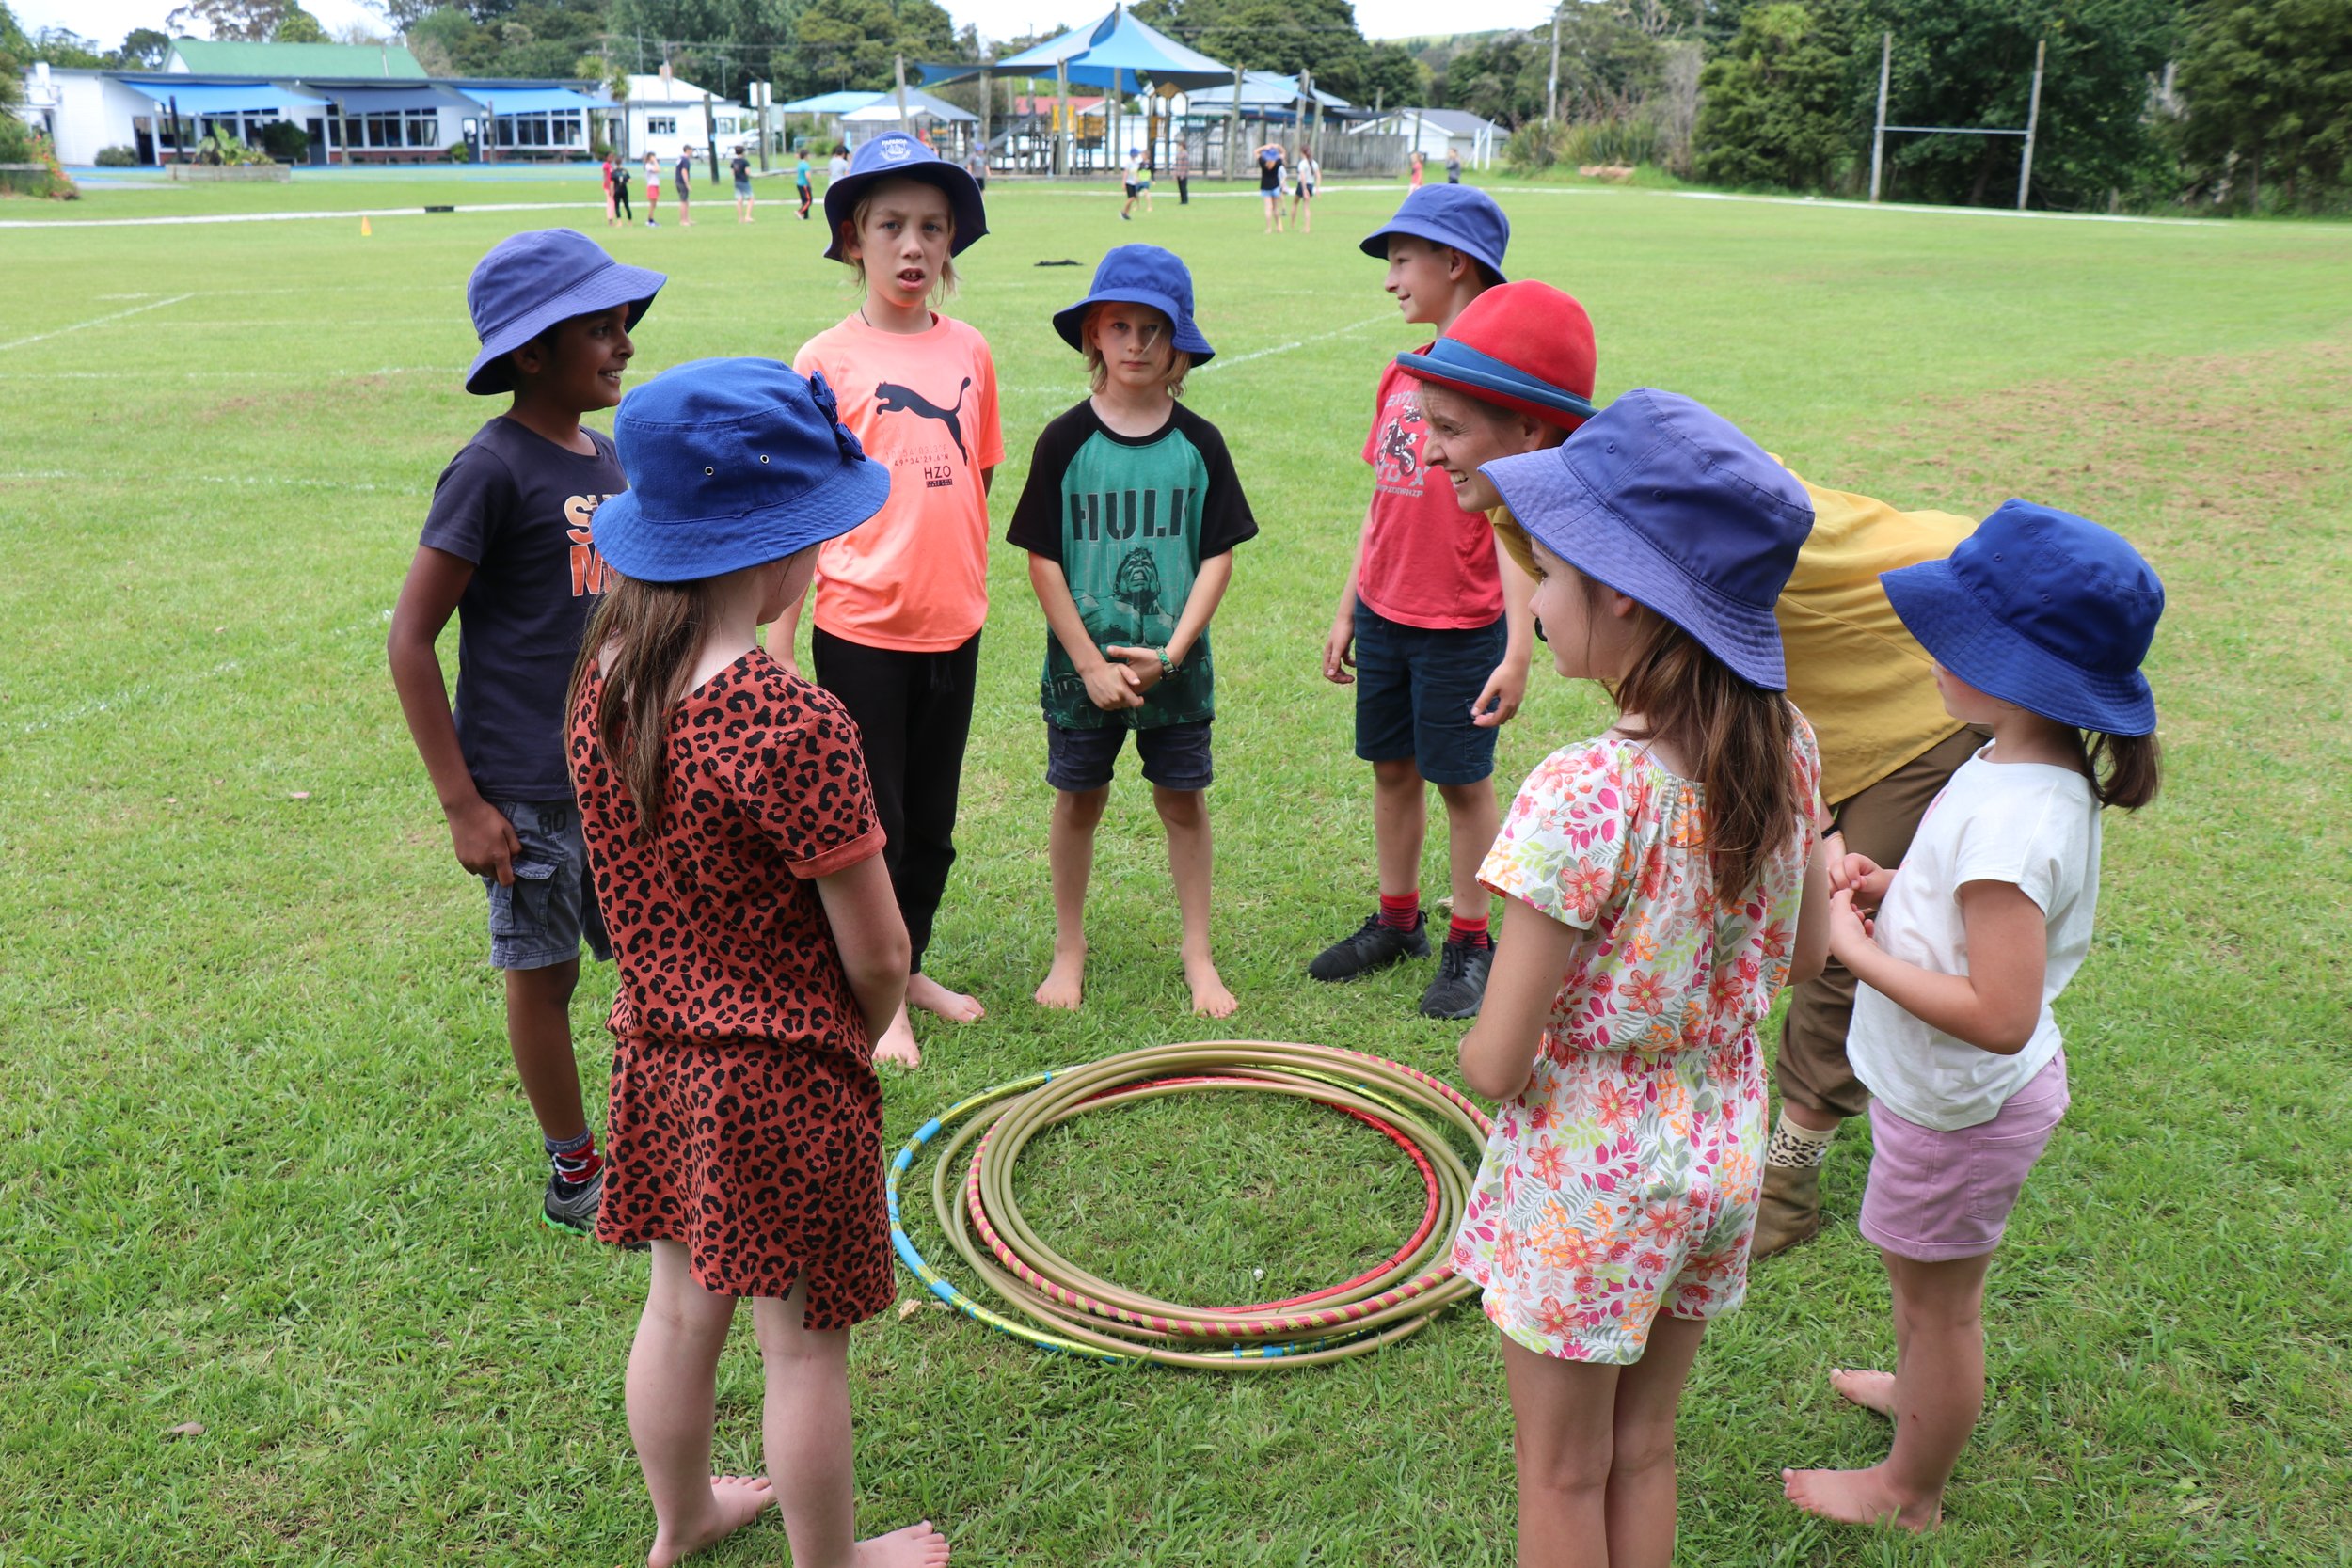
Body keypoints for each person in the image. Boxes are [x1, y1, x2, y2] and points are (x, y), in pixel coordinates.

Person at [568, 357, 951, 1568]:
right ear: (780, 550)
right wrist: (868, 1009)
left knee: (678, 1311)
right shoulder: (791, 720)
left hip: (659, 1064)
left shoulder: (607, 686)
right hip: (786, 1083)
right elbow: (881, 949)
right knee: (801, 1346)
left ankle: (682, 1518)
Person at [1454, 388, 1832, 1568]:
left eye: (1553, 574)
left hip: (1589, 1176)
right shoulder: (1790, 742)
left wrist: (1484, 1052)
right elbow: (1811, 956)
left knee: (1559, 1473)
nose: (1533, 596)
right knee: (1643, 1451)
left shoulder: (1583, 791)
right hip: (1718, 1150)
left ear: (1623, 593)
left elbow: (1497, 1056)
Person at [1782, 502, 2164, 1534]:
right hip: (1946, 1097)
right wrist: (1896, 882)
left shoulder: (2010, 811)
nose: (1928, 651)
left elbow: (2000, 1011)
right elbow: (1975, 906)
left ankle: (1910, 1490)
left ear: (2019, 668)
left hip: (1961, 1105)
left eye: (1951, 638)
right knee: (1921, 1289)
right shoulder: (2016, 766)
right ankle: (1917, 1397)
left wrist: (1856, 949)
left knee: (1938, 1306)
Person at [386, 230, 665, 1237]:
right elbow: (411, 641)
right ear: (531, 352)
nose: (624, 339)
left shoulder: (613, 457)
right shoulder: (489, 469)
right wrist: (465, 803)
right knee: (542, 978)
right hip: (530, 791)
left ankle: (656, 1139)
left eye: (623, 319)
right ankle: (574, 1168)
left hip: (624, 772)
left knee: (652, 957)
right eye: (600, 325)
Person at [782, 131, 1001, 1069]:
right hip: (861, 625)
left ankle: (908, 967)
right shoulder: (824, 357)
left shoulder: (971, 350)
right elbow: (796, 504)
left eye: (931, 228)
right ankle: (870, 997)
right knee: (871, 822)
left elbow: (980, 468)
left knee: (934, 822)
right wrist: (779, 640)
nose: (913, 246)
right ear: (851, 241)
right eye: (890, 226)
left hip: (955, 619)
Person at [1009, 245, 1258, 1018]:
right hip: (1082, 671)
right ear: (1093, 335)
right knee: (1078, 798)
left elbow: (1217, 556)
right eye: (1120, 325)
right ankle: (1068, 948)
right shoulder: (1063, 441)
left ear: (1181, 342)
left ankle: (1198, 954)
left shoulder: (1201, 444)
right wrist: (1087, 664)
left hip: (1175, 671)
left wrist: (1174, 653)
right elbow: (1042, 561)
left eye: (1156, 329)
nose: (1138, 344)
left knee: (1183, 801)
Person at [1311, 185, 1522, 1019]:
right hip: (1387, 610)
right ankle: (1399, 921)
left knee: (1461, 780)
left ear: (1455, 262)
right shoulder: (1400, 373)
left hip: (1463, 621)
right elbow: (1384, 498)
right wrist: (1348, 605)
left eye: (1402, 260)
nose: (1391, 278)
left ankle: (1472, 938)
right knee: (1391, 768)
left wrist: (1516, 647)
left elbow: (1515, 518)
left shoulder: (1501, 380)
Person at [1256, 140, 1286, 233]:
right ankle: (1278, 226)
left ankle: (1269, 228)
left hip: (1265, 186)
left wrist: (1265, 147)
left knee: (1268, 208)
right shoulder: (1277, 162)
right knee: (1275, 208)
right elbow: (1283, 153)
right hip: (1275, 186)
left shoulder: (1262, 161)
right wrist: (1277, 146)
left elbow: (1256, 151)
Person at [1290, 144, 1319, 233]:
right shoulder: (1314, 163)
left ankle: (1292, 223)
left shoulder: (1302, 163)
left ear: (1302, 153)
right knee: (1306, 207)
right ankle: (1307, 227)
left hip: (1303, 186)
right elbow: (1318, 176)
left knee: (1295, 203)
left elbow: (1302, 177)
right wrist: (1317, 188)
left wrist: (1304, 189)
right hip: (1310, 185)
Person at [731, 144, 754, 223]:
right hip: (744, 181)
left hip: (737, 181)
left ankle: (740, 218)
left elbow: (732, 173)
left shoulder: (734, 161)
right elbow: (747, 172)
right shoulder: (745, 161)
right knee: (750, 198)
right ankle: (747, 216)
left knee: (739, 200)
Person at [674, 147, 694, 227]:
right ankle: (683, 220)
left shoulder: (680, 158)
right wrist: (687, 184)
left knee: (686, 201)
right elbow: (684, 171)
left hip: (678, 181)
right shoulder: (685, 160)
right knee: (683, 201)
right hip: (682, 182)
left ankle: (687, 218)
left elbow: (676, 170)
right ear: (688, 150)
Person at [643, 149, 661, 226]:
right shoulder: (648, 165)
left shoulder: (651, 165)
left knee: (654, 204)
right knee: (652, 204)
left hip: (655, 185)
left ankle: (651, 219)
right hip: (651, 186)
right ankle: (650, 220)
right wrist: (655, 161)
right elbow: (658, 170)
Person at [612, 158, 633, 223]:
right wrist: (626, 180)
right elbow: (630, 181)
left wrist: (612, 191)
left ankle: (619, 221)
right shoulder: (625, 171)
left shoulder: (614, 172)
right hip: (624, 190)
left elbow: (612, 182)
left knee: (617, 206)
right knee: (626, 206)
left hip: (617, 190)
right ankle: (630, 221)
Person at [795, 148, 814, 219]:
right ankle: (799, 212)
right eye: (809, 155)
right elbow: (807, 176)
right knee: (809, 200)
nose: (809, 157)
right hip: (804, 185)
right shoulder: (806, 165)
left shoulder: (799, 164)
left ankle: (806, 216)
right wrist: (810, 184)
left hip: (799, 184)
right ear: (805, 156)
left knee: (804, 201)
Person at [1172, 135, 1189, 204]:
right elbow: (1176, 165)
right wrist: (1175, 174)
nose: (1178, 147)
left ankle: (1185, 200)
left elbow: (1185, 166)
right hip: (1178, 173)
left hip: (1183, 174)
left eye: (1179, 146)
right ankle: (1182, 200)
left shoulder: (1185, 154)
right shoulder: (1178, 154)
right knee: (1180, 188)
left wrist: (1183, 174)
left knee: (1183, 188)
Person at [600, 152, 616, 226]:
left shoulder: (610, 165)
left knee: (612, 203)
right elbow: (606, 177)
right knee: (610, 203)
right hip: (608, 186)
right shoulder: (606, 165)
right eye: (610, 157)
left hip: (612, 186)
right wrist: (609, 188)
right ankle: (610, 220)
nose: (611, 158)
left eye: (612, 157)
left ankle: (611, 219)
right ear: (606, 157)